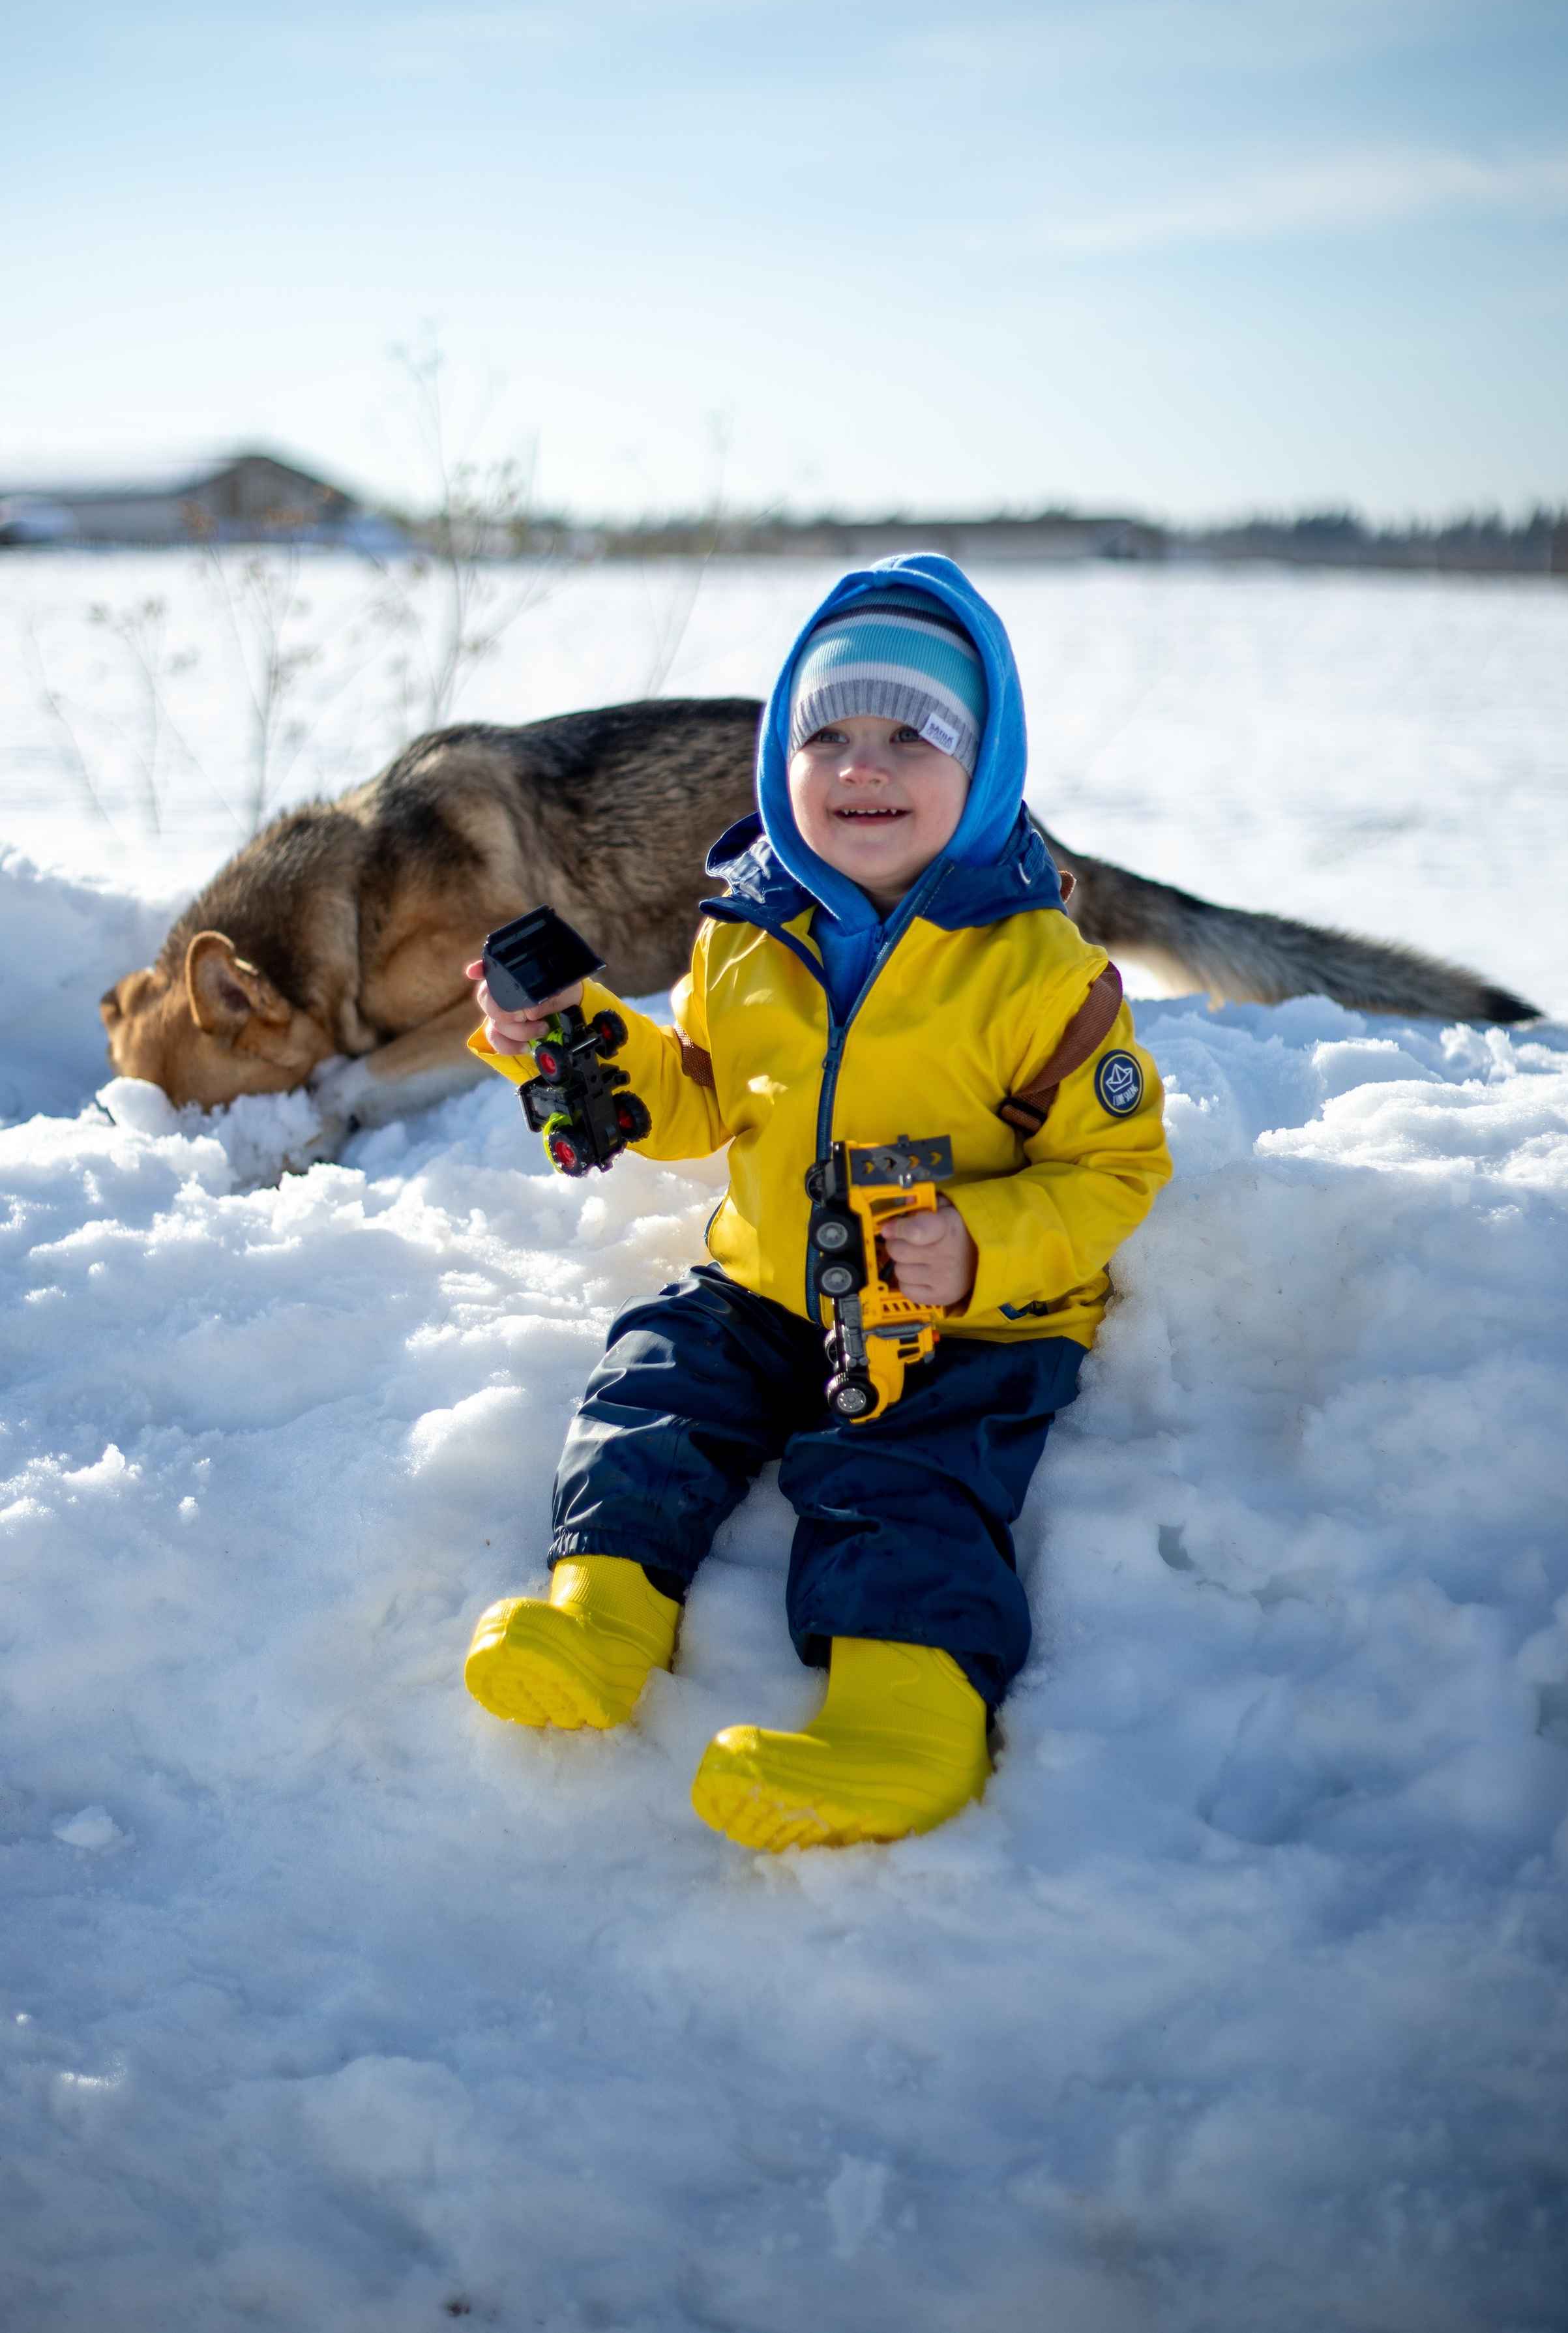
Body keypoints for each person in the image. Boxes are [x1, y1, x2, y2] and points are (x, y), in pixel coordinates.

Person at [461, 555, 1172, 1852]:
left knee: (901, 1480)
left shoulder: (1038, 973)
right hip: (768, 1283)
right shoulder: (744, 931)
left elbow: (1114, 1168)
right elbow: (696, 1102)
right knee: (652, 1384)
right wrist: (571, 1041)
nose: (862, 767)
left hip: (959, 1318)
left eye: (911, 735)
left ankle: (904, 1719)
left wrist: (980, 1247)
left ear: (985, 766)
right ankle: (597, 1612)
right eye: (826, 735)